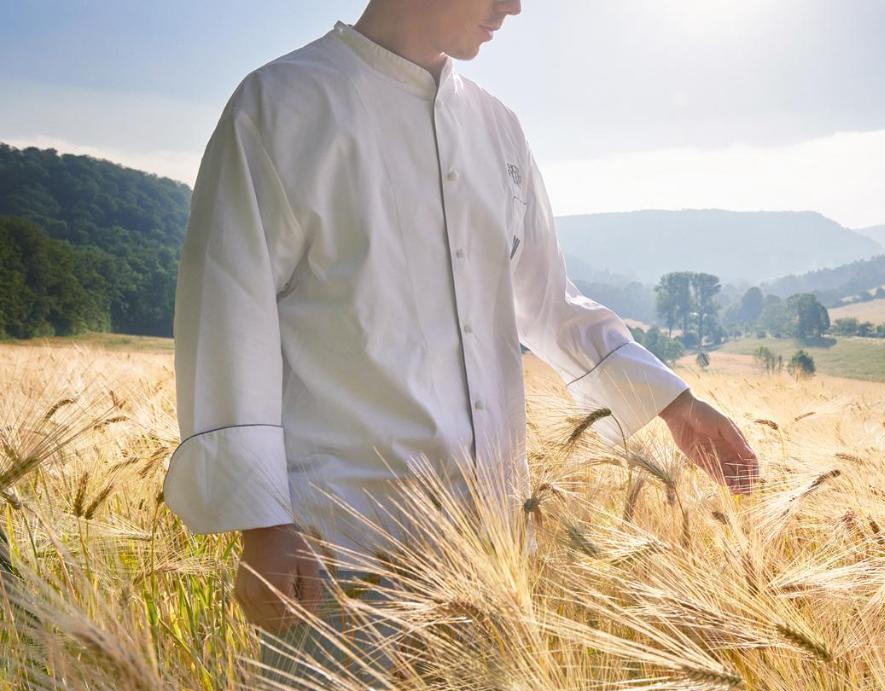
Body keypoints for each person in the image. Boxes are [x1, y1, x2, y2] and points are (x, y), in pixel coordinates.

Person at [162, 0, 759, 638]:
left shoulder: (498, 127)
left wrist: (674, 402)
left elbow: (549, 302)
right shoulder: (280, 105)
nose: (515, 6)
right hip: (338, 553)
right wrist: (264, 524)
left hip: (491, 550)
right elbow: (228, 317)